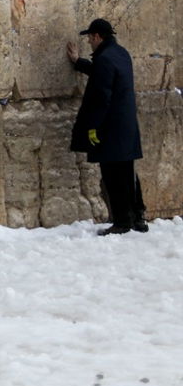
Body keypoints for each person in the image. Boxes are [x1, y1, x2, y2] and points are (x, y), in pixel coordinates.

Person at [67, 18, 147, 235]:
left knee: (113, 174)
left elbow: (101, 96)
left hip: (110, 127)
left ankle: (122, 222)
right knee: (128, 172)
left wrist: (93, 127)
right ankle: (138, 217)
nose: (90, 43)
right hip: (126, 125)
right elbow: (103, 74)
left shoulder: (104, 59)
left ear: (96, 37)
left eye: (90, 39)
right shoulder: (121, 54)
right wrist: (79, 62)